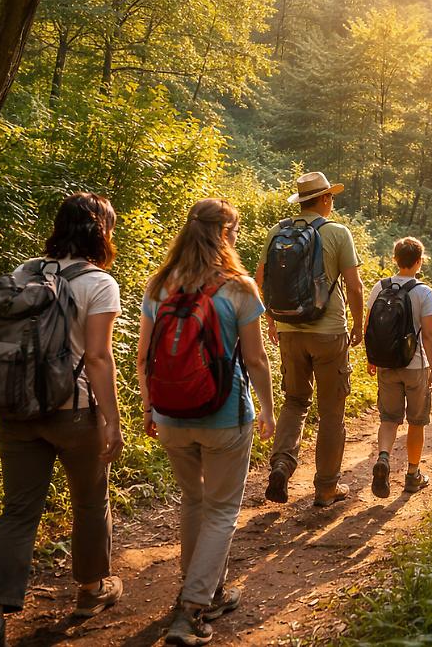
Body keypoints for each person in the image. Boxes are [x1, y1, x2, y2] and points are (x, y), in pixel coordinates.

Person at [0, 193, 125, 647]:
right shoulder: (99, 283)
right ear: (101, 230)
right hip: (73, 412)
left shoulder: (22, 272)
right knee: (91, 503)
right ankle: (92, 590)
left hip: (15, 412)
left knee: (17, 511)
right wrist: (111, 420)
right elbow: (97, 357)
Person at [136, 199, 277, 646]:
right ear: (228, 233)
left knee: (193, 500)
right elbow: (254, 359)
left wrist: (148, 406)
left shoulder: (160, 284)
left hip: (170, 414)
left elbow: (143, 356)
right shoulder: (238, 288)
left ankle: (202, 587)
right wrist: (269, 409)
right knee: (221, 511)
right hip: (226, 414)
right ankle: (192, 609)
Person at [257, 172, 364, 508]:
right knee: (331, 413)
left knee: (295, 401)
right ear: (325, 200)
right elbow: (355, 286)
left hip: (289, 332)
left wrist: (273, 320)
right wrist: (358, 325)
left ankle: (281, 465)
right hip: (329, 332)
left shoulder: (277, 232)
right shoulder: (337, 233)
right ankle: (326, 488)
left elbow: (262, 279)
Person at [365, 237, 432, 497]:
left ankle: (384, 458)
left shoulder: (380, 287)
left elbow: (369, 327)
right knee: (416, 421)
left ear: (395, 259)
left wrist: (371, 358)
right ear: (419, 261)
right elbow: (429, 335)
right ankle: (412, 474)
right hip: (415, 365)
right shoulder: (424, 291)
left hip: (386, 363)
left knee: (388, 419)